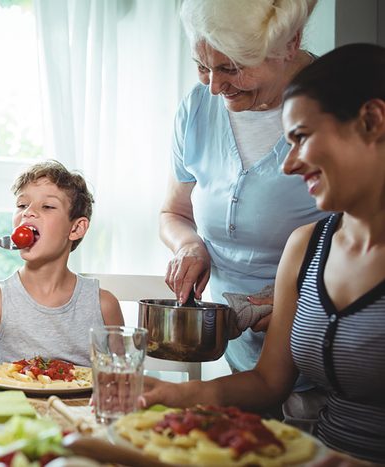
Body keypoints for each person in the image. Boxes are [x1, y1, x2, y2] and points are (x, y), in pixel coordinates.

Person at [141, 43, 385, 464]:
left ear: (372, 120)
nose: (288, 165)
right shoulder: (307, 246)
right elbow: (269, 383)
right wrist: (173, 395)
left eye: (302, 139)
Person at [159, 0, 326, 417]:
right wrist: (190, 246)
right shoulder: (196, 109)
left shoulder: (335, 109)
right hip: (247, 365)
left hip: (331, 354)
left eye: (231, 68)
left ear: (290, 43)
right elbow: (174, 212)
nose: (214, 86)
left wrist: (287, 302)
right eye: (202, 65)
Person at [0, 160, 124, 384]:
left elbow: (122, 381)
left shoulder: (103, 305)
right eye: (22, 205)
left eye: (47, 207)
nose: (28, 213)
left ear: (75, 228)